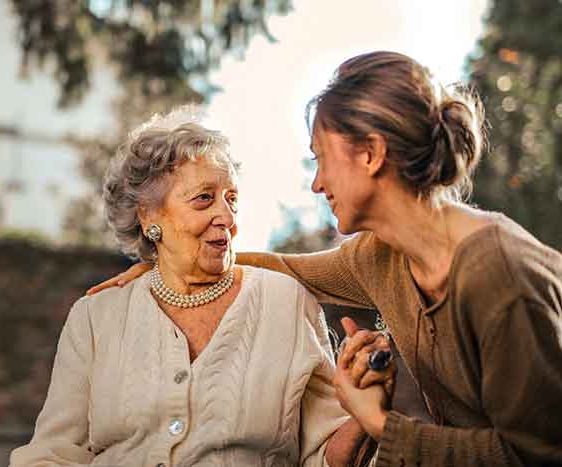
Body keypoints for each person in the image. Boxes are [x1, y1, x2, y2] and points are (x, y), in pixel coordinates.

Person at [87, 52, 562, 466]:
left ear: (371, 154)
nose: (317, 184)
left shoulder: (498, 274)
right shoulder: (381, 257)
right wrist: (169, 263)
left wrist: (377, 421)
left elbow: (535, 454)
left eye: (321, 158)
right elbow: (286, 268)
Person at [10, 107, 393, 467]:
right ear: (148, 216)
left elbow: (324, 455)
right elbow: (53, 453)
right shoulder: (96, 317)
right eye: (204, 199)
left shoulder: (286, 302)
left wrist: (365, 415)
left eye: (232, 200)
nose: (226, 217)